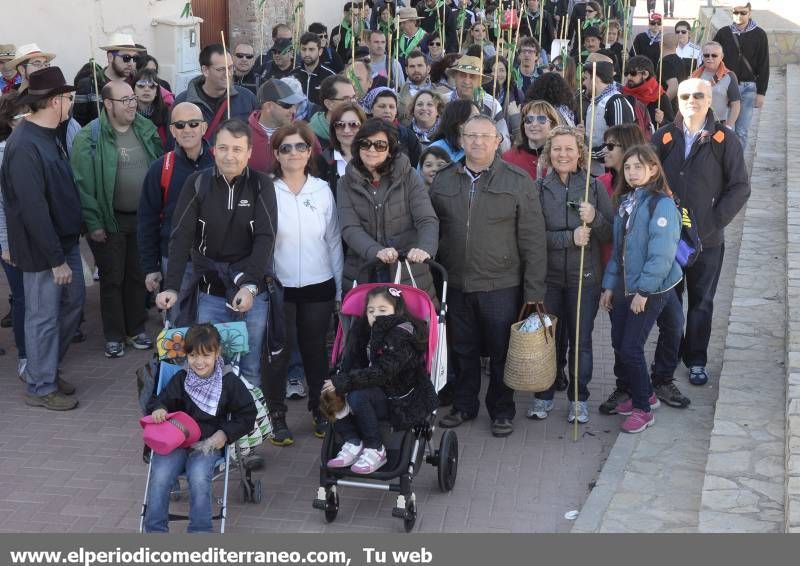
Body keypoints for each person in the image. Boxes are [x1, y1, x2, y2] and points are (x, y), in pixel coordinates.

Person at [430, 114, 547, 438]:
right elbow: (432, 230)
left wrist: (534, 290)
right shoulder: (444, 179)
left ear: (498, 141)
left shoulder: (517, 180)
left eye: (485, 136)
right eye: (471, 136)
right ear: (461, 140)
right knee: (463, 350)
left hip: (501, 284)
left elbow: (533, 239)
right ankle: (465, 404)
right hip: (455, 282)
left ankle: (501, 409)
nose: (477, 142)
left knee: (501, 351)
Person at [156, 119, 277, 389]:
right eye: (223, 148)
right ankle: (215, 425)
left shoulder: (261, 185)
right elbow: (181, 237)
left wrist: (249, 286)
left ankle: (250, 429)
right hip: (210, 291)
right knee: (207, 366)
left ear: (248, 153)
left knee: (250, 367)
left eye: (237, 149)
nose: (229, 155)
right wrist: (172, 287)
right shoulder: (197, 182)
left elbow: (266, 238)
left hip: (251, 292)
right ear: (214, 151)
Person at [650, 77, 750, 387]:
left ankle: (696, 359)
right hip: (668, 240)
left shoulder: (724, 140)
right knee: (669, 301)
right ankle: (670, 356)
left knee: (701, 301)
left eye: (698, 95)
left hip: (706, 240)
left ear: (709, 100)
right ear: (677, 100)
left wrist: (712, 222)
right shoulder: (664, 137)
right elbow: (646, 177)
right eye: (685, 96)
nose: (691, 100)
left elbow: (740, 187)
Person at [0, 67, 84, 410]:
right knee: (43, 316)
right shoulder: (24, 146)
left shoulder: (51, 134)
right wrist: (55, 259)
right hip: (42, 250)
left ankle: (46, 369)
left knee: (73, 304)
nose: (72, 102)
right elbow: (33, 209)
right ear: (53, 102)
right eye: (68, 97)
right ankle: (40, 384)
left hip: (64, 242)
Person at [527, 126, 613, 423]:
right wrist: (569, 238)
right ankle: (544, 393)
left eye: (569, 149)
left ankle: (579, 397)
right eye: (557, 149)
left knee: (581, 340)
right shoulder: (538, 189)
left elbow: (608, 232)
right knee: (547, 339)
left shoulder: (594, 187)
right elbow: (534, 236)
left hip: (584, 278)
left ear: (580, 153)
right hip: (549, 278)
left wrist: (595, 218)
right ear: (549, 153)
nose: (563, 154)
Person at [265, 123, 344, 446]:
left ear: (310, 152)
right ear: (276, 154)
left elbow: (334, 240)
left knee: (315, 354)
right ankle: (276, 415)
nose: (293, 153)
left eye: (300, 147)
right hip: (279, 287)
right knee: (278, 354)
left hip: (318, 285)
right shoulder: (266, 189)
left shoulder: (322, 190)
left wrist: (339, 290)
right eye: (286, 148)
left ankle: (320, 410)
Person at [71, 80, 162, 358]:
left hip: (143, 219)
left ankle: (136, 329)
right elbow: (83, 185)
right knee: (112, 278)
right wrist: (94, 223)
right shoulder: (90, 137)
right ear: (108, 104)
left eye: (133, 98)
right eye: (125, 100)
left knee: (138, 276)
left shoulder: (145, 129)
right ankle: (114, 334)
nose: (132, 104)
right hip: (109, 221)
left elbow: (159, 165)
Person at [600, 145, 684, 433]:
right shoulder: (626, 202)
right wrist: (609, 286)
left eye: (639, 166)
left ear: (653, 169)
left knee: (631, 347)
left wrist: (644, 292)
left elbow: (661, 255)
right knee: (619, 342)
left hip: (651, 287)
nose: (632, 172)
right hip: (626, 284)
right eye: (628, 167)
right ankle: (644, 393)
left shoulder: (661, 204)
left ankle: (643, 409)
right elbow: (618, 251)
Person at [142, 323, 257, 533]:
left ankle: (200, 532)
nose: (199, 362)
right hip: (175, 441)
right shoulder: (182, 378)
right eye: (193, 355)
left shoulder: (229, 381)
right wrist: (159, 409)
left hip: (208, 443)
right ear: (186, 355)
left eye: (206, 355)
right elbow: (161, 401)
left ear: (217, 353)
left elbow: (247, 414)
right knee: (159, 476)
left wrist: (225, 434)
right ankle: (155, 531)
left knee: (198, 477)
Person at [324, 285, 437, 474]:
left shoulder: (402, 335)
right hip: (373, 389)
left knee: (357, 397)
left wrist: (346, 382)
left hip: (398, 398)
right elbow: (350, 364)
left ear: (397, 311)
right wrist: (338, 381)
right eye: (371, 310)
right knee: (327, 394)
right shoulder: (363, 332)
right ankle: (352, 440)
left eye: (383, 310)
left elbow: (383, 371)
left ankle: (376, 448)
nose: (376, 315)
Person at [337, 118, 438, 296]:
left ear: (390, 150)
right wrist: (376, 252)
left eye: (380, 145)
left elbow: (426, 219)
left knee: (411, 322)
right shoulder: (345, 182)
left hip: (407, 268)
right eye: (365, 144)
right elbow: (350, 228)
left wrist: (425, 249)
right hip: (364, 270)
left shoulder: (409, 176)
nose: (372, 150)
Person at [137, 103, 214, 313]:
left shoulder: (221, 163)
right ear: (172, 130)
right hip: (175, 261)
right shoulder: (160, 168)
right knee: (178, 331)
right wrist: (150, 268)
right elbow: (147, 220)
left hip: (216, 261)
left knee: (213, 329)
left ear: (204, 127)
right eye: (180, 125)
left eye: (193, 124)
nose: (187, 129)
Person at [713, 2, 769, 149]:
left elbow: (764, 64)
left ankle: (737, 167)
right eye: (736, 12)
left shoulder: (760, 34)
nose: (739, 15)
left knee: (741, 131)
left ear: (750, 13)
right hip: (725, 85)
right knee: (723, 127)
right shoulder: (723, 33)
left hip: (748, 88)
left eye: (743, 12)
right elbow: (712, 58)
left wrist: (761, 93)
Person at [174, 44, 257, 143]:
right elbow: (174, 145)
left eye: (230, 68)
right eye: (221, 69)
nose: (228, 74)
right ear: (205, 70)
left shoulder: (247, 98)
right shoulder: (183, 102)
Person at [0, 91, 26, 364]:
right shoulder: (5, 153)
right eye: (23, 114)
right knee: (22, 297)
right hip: (11, 240)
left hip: (25, 239)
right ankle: (26, 353)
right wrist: (6, 245)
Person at [74, 34, 144, 125]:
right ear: (110, 57)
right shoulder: (89, 84)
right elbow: (78, 125)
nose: (131, 63)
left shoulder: (138, 84)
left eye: (134, 58)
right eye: (126, 58)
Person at [446, 55, 511, 152]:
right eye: (463, 75)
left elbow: (506, 145)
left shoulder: (492, 105)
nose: (467, 81)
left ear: (480, 81)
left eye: (472, 77)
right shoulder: (443, 101)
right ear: (455, 77)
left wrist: (495, 136)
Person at [582, 61, 634, 174]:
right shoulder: (594, 102)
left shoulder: (616, 102)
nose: (583, 83)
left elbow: (620, 142)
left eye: (585, 78)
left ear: (595, 78)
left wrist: (588, 152)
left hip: (612, 174)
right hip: (594, 172)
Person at [247, 78, 307, 175]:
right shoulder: (242, 135)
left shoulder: (303, 133)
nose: (293, 111)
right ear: (269, 106)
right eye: (287, 105)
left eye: (295, 105)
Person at [502, 100, 562, 180]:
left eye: (541, 119)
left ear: (552, 125)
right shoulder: (508, 158)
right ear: (523, 125)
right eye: (529, 119)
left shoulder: (561, 157)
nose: (534, 124)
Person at [316, 103, 366, 198]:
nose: (346, 130)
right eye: (340, 125)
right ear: (333, 128)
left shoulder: (373, 157)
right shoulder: (323, 161)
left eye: (353, 124)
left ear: (362, 127)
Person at [364, 87, 422, 168]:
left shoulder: (407, 135)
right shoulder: (362, 134)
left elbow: (416, 167)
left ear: (396, 111)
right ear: (371, 109)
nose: (387, 111)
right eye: (382, 106)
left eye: (391, 107)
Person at [692, 41, 741, 129]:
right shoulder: (695, 75)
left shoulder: (729, 76)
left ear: (721, 57)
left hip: (719, 125)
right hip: (697, 123)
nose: (710, 58)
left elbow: (736, 104)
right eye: (706, 55)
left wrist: (729, 126)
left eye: (714, 55)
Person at [623, 55, 674, 130]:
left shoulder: (660, 97)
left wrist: (662, 121)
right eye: (627, 73)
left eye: (633, 73)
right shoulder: (624, 93)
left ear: (645, 74)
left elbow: (672, 127)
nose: (629, 77)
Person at [309, 75, 358, 147]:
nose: (353, 103)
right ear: (329, 104)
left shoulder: (362, 131)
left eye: (353, 97)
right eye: (346, 99)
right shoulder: (309, 138)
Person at [292, 32, 337, 106]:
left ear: (320, 51)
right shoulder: (293, 75)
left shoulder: (330, 77)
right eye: (304, 49)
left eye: (311, 49)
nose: (307, 54)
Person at [134, 68, 172, 147]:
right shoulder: (127, 113)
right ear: (133, 89)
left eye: (152, 86)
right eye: (141, 85)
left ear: (156, 92)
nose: (146, 89)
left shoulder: (166, 113)